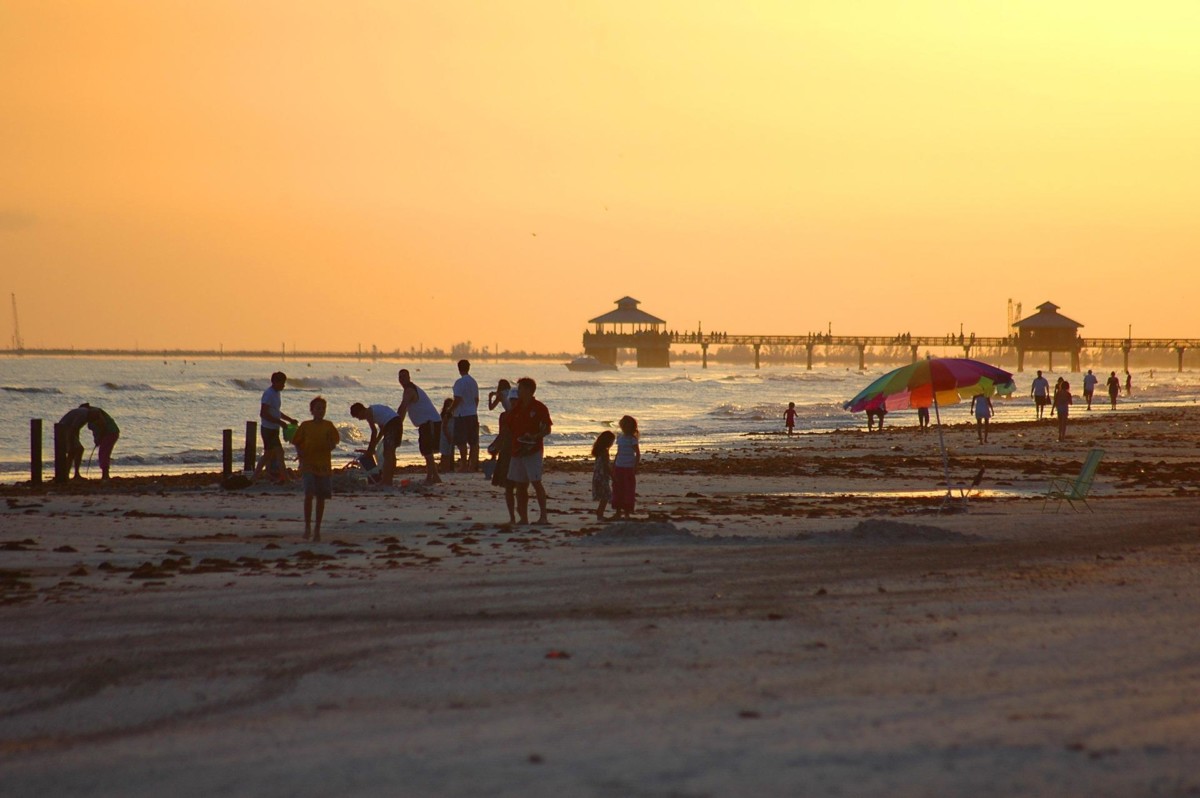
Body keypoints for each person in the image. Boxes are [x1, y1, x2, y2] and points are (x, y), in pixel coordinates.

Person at [292, 396, 341, 542]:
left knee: (321, 497)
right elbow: (296, 441)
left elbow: (334, 442)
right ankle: (307, 527)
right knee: (308, 494)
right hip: (308, 464)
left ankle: (317, 529)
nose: (320, 411)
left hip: (324, 465)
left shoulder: (329, 425)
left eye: (323, 408)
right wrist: (299, 453)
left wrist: (330, 445)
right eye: (318, 408)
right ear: (312, 410)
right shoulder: (305, 426)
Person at [507, 377, 552, 524]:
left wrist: (534, 436)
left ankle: (543, 516)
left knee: (536, 482)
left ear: (528, 390)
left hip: (533, 450)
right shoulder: (516, 407)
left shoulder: (539, 407)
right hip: (517, 450)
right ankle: (523, 518)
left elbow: (547, 429)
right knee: (520, 485)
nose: (518, 391)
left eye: (520, 388)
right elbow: (509, 428)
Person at [396, 369, 442, 485]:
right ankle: (435, 476)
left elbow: (402, 407)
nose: (402, 379)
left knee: (427, 450)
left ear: (409, 377)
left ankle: (431, 477)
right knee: (427, 450)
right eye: (400, 377)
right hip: (428, 423)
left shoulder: (410, 390)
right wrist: (398, 424)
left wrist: (396, 424)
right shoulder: (409, 390)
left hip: (430, 422)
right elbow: (404, 410)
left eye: (404, 377)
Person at [253, 372, 298, 483]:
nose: (283, 386)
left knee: (268, 455)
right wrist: (280, 422)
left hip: (273, 429)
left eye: (284, 383)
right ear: (275, 382)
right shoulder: (269, 394)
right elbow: (263, 413)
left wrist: (289, 420)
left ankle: (256, 477)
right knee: (278, 453)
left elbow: (276, 411)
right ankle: (286, 479)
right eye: (282, 383)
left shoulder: (276, 393)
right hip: (268, 429)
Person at [349, 402, 402, 485]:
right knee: (390, 453)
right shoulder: (375, 411)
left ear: (361, 411)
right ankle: (388, 479)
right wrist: (374, 445)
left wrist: (370, 450)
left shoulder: (368, 413)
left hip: (392, 424)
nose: (359, 419)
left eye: (357, 416)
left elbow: (374, 432)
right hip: (397, 422)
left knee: (387, 454)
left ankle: (386, 480)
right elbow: (382, 430)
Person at [487, 380, 516, 524]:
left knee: (503, 435)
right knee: (506, 437)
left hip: (506, 416)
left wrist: (490, 397)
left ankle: (496, 450)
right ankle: (498, 449)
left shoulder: (499, 394)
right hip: (512, 415)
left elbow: (491, 408)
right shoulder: (511, 393)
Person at [449, 359, 480, 472]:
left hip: (461, 414)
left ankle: (464, 465)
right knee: (473, 441)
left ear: (459, 368)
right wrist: (473, 409)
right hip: (472, 413)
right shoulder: (473, 382)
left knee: (461, 441)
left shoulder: (459, 382)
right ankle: (472, 465)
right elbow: (476, 399)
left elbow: (457, 399)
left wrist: (450, 410)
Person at [612, 415, 641, 519]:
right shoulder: (619, 437)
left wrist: (635, 466)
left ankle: (627, 512)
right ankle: (618, 511)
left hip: (629, 467)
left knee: (628, 489)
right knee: (618, 488)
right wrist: (614, 465)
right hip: (619, 466)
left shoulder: (632, 439)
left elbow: (637, 453)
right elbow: (618, 452)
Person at [58, 403, 91, 479]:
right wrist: (70, 440)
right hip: (66, 430)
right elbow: (74, 427)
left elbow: (76, 428)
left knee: (72, 452)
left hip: (62, 430)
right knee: (79, 450)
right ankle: (75, 474)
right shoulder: (85, 413)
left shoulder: (81, 412)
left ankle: (67, 474)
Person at [86, 406, 120, 480]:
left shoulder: (94, 412)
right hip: (111, 433)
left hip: (110, 433)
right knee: (104, 452)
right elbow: (96, 429)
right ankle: (105, 474)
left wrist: (100, 437)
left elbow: (102, 425)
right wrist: (97, 439)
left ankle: (105, 475)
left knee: (103, 452)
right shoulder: (93, 414)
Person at [591, 430, 615, 521]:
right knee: (605, 496)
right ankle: (600, 513)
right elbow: (606, 466)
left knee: (604, 495)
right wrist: (612, 476)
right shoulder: (604, 452)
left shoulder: (598, 451)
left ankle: (600, 513)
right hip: (602, 476)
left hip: (597, 476)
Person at [439, 398, 456, 474]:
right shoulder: (446, 415)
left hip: (451, 436)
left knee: (449, 453)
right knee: (445, 454)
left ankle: (448, 469)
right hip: (445, 436)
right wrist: (448, 436)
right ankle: (444, 469)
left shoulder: (453, 415)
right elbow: (444, 427)